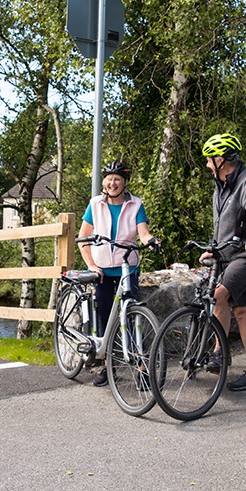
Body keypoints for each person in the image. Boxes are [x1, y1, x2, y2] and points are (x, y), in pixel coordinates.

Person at [199, 133, 246, 391]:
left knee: (218, 295)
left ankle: (219, 352)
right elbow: (224, 225)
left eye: (210, 159)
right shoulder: (220, 184)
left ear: (221, 159)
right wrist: (214, 249)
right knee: (243, 311)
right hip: (228, 255)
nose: (207, 163)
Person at [78, 160, 160, 387]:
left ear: (124, 182)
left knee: (132, 317)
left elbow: (143, 233)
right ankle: (107, 367)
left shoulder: (135, 204)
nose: (112, 183)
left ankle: (142, 369)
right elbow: (83, 238)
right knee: (104, 316)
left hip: (128, 268)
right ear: (104, 181)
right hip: (102, 269)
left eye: (117, 179)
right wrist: (92, 265)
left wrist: (150, 240)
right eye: (109, 178)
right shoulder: (95, 204)